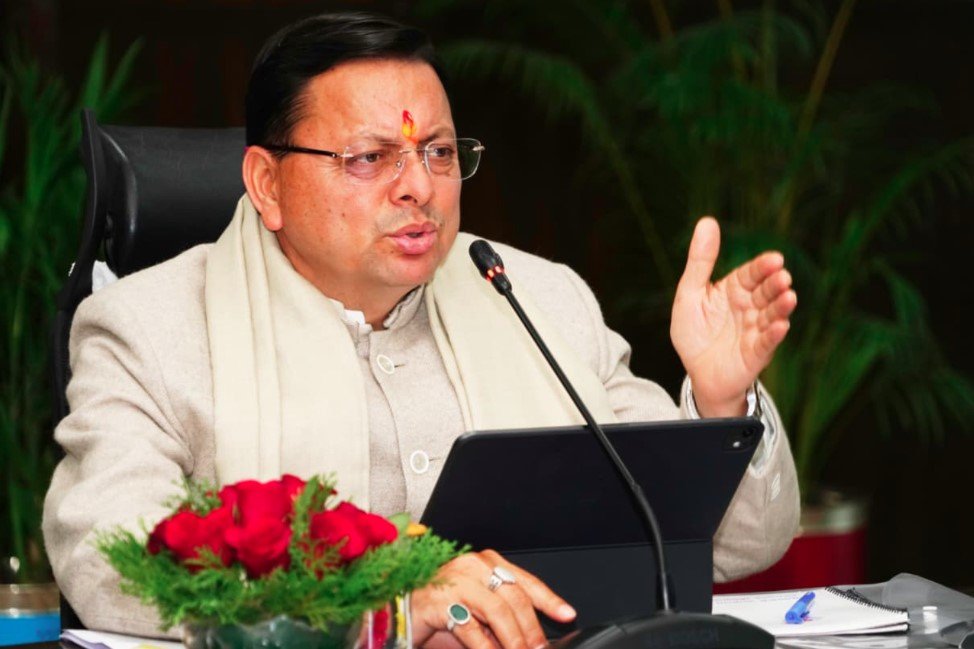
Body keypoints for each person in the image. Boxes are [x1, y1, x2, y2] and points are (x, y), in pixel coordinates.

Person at [43, 12, 799, 648]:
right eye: (370, 157)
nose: (419, 187)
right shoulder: (151, 329)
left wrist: (720, 402)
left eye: (438, 152)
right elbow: (107, 559)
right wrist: (382, 609)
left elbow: (720, 548)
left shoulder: (537, 299)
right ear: (267, 184)